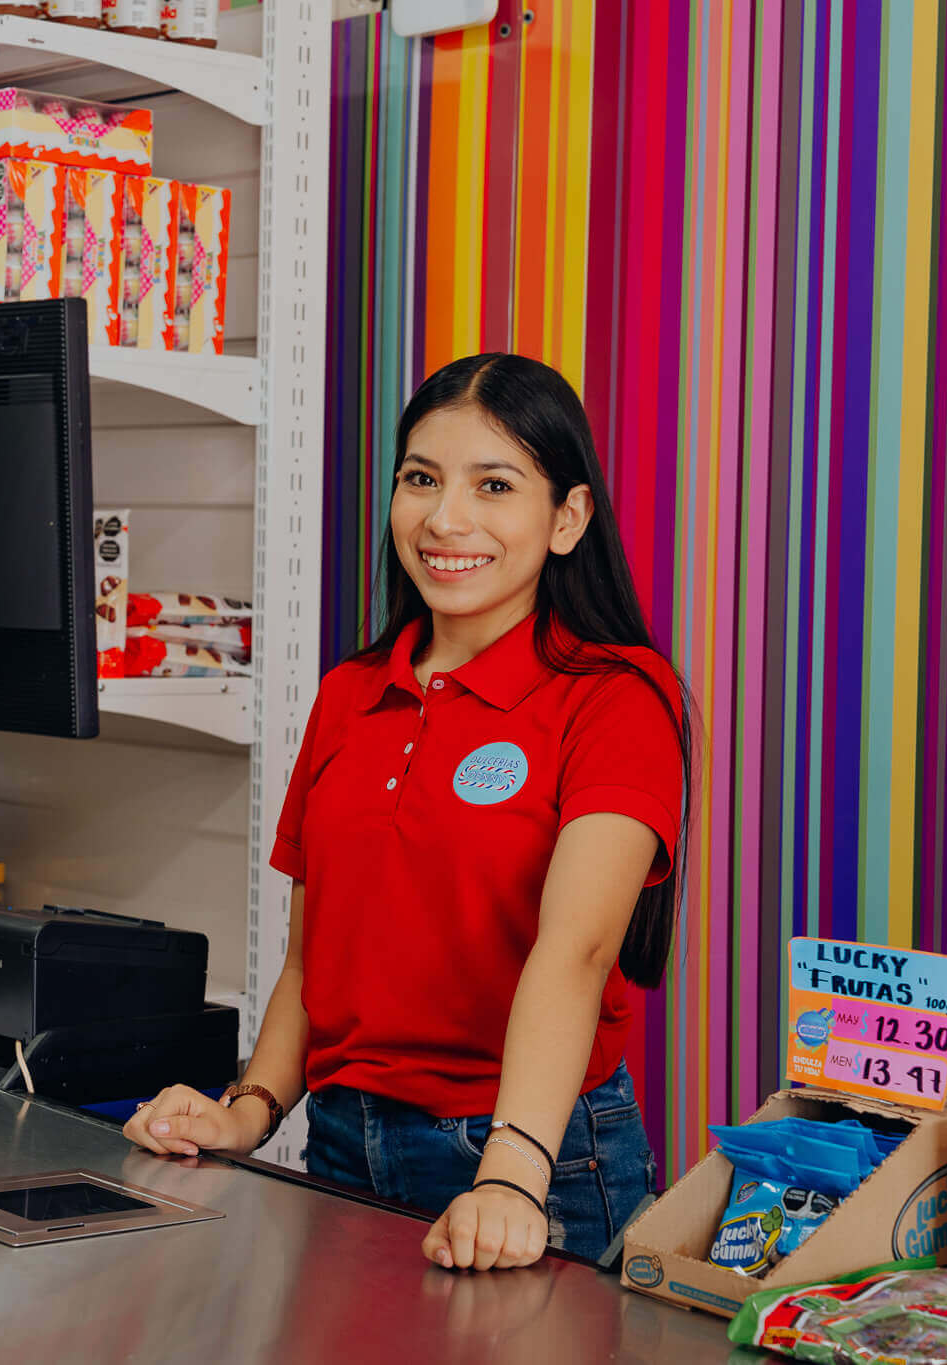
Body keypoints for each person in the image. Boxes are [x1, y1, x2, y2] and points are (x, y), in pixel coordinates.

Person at [123, 353, 695, 1271]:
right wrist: (249, 1108)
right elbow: (314, 957)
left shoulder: (617, 695)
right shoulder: (350, 694)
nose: (445, 519)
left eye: (493, 485)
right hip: (344, 1143)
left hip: (532, 1154)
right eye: (420, 479)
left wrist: (512, 1170)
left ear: (568, 518)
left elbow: (578, 950)